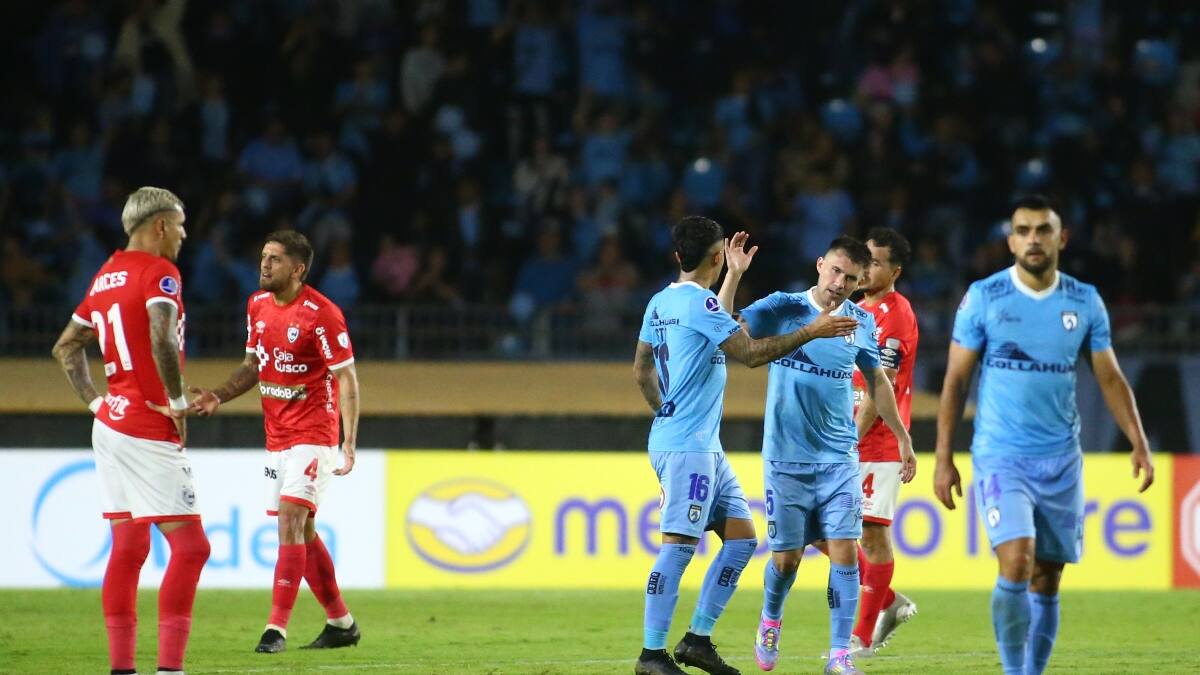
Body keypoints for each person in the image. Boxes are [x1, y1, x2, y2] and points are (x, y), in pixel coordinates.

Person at [933, 195, 1154, 675]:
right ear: (1011, 241)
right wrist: (943, 456)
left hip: (1061, 458)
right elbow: (955, 381)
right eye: (1024, 231)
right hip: (1001, 455)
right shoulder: (984, 297)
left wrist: (1139, 441)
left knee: (1048, 578)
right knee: (1017, 561)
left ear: (1062, 238)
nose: (1033, 239)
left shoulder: (1084, 300)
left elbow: (1110, 377)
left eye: (1043, 230)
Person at [633, 218, 860, 675]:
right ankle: (651, 655)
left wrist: (665, 411)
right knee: (679, 545)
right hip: (688, 447)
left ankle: (697, 640)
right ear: (716, 256)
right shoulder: (699, 303)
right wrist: (810, 331)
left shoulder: (661, 302)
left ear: (678, 256)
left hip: (698, 444)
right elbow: (752, 354)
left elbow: (641, 369)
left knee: (741, 540)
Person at [737, 236, 915, 675]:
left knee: (846, 554)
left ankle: (839, 654)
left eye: (851, 278)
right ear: (820, 265)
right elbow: (730, 332)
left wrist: (902, 437)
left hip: (839, 457)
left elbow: (878, 381)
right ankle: (770, 618)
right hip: (786, 457)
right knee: (787, 560)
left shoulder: (861, 322)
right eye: (835, 271)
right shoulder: (784, 307)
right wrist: (734, 276)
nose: (840, 283)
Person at [51, 186, 211, 675]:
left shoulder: (106, 274)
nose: (184, 236)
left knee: (130, 546)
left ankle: (122, 668)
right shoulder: (160, 272)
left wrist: (97, 403)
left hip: (111, 422)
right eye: (180, 226)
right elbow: (162, 338)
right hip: (146, 423)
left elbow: (65, 346)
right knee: (192, 547)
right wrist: (177, 403)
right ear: (160, 225)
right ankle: (170, 670)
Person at [189, 230, 362, 653]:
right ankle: (341, 623)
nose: (265, 264)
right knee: (303, 531)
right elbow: (253, 365)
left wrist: (348, 441)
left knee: (289, 520)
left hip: (315, 434)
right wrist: (219, 395)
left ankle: (275, 630)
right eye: (264, 256)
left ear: (298, 269)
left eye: (276, 259)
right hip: (277, 436)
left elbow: (346, 378)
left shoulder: (322, 314)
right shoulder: (257, 305)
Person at [847, 227, 920, 655]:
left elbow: (882, 383)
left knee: (872, 536)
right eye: (864, 259)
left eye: (874, 262)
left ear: (895, 271)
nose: (865, 268)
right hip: (847, 437)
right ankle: (887, 600)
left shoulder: (896, 314)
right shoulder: (857, 310)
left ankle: (861, 636)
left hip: (877, 443)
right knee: (823, 529)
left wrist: (851, 438)